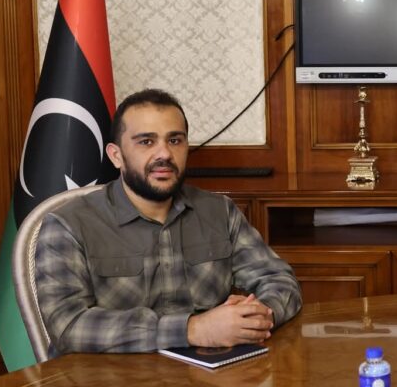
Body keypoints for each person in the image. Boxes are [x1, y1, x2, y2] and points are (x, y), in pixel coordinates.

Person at [35, 89, 302, 356]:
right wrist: (193, 329)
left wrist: (259, 316)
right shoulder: (67, 225)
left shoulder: (220, 211)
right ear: (116, 156)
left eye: (175, 140)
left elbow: (279, 279)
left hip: (206, 375)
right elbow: (67, 325)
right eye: (146, 142)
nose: (164, 153)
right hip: (105, 378)